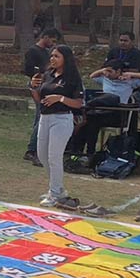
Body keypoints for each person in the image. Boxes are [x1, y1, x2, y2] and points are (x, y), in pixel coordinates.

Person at [32, 44, 85, 209]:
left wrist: (60, 98)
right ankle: (57, 189)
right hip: (45, 118)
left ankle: (55, 193)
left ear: (65, 59)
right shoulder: (48, 75)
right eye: (51, 56)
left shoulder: (72, 77)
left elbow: (79, 103)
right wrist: (33, 87)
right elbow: (39, 99)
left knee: (54, 156)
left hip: (61, 119)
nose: (52, 59)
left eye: (57, 56)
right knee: (42, 155)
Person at [66, 61, 140, 156]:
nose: (107, 74)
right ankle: (82, 151)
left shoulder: (129, 82)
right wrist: (103, 70)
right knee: (89, 122)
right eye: (106, 71)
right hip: (103, 111)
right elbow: (92, 76)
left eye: (110, 71)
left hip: (118, 113)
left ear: (118, 71)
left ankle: (89, 152)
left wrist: (130, 74)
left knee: (96, 116)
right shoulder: (105, 79)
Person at [22, 27, 60, 166]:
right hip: (38, 85)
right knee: (41, 118)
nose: (53, 44)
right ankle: (32, 150)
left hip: (46, 84)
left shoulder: (47, 52)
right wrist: (42, 76)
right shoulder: (33, 51)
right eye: (52, 40)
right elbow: (28, 70)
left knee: (39, 118)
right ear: (45, 37)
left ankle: (35, 147)